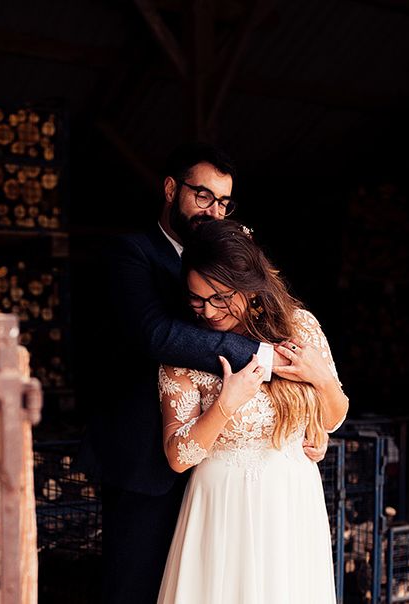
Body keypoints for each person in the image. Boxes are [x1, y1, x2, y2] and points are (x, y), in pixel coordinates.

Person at [75, 141, 326, 604]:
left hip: (220, 474)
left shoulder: (229, 262)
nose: (213, 209)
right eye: (203, 195)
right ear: (171, 189)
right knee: (136, 587)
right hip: (146, 456)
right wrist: (265, 357)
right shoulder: (130, 253)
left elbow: (264, 311)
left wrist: (307, 416)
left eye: (224, 202)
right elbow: (157, 335)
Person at [156, 218, 349, 604]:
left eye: (221, 297)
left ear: (250, 288)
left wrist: (322, 379)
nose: (208, 311)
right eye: (197, 298)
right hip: (222, 507)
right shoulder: (185, 348)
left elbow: (334, 416)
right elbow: (178, 457)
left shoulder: (301, 328)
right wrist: (226, 403)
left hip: (292, 504)